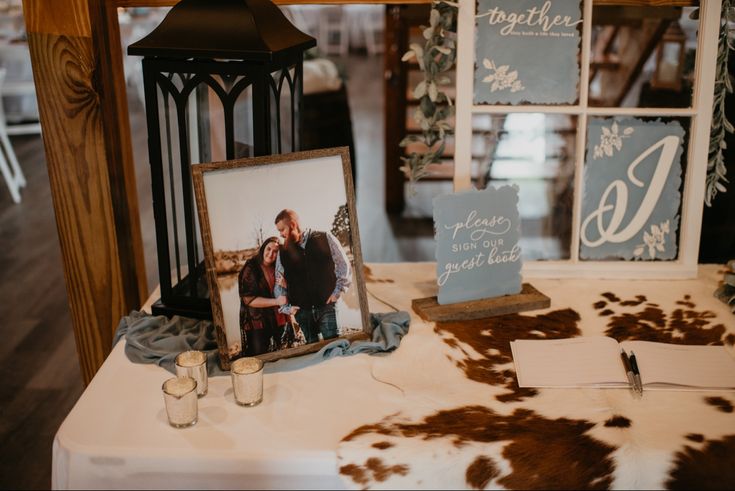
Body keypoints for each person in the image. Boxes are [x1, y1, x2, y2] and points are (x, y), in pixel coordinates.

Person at [274, 209, 352, 344]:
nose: (281, 234)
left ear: (292, 225)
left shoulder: (324, 237)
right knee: (313, 353)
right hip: (302, 313)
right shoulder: (283, 252)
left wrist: (337, 291)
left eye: (282, 229)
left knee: (335, 347)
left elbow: (343, 265)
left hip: (327, 307)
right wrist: (287, 308)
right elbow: (278, 283)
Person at [238, 237, 288, 356]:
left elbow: (289, 290)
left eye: (275, 251)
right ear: (263, 248)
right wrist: (276, 301)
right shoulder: (251, 268)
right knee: (260, 356)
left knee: (279, 354)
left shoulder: (279, 267)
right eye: (268, 249)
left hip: (278, 318)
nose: (271, 254)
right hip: (257, 322)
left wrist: (286, 284)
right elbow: (249, 300)